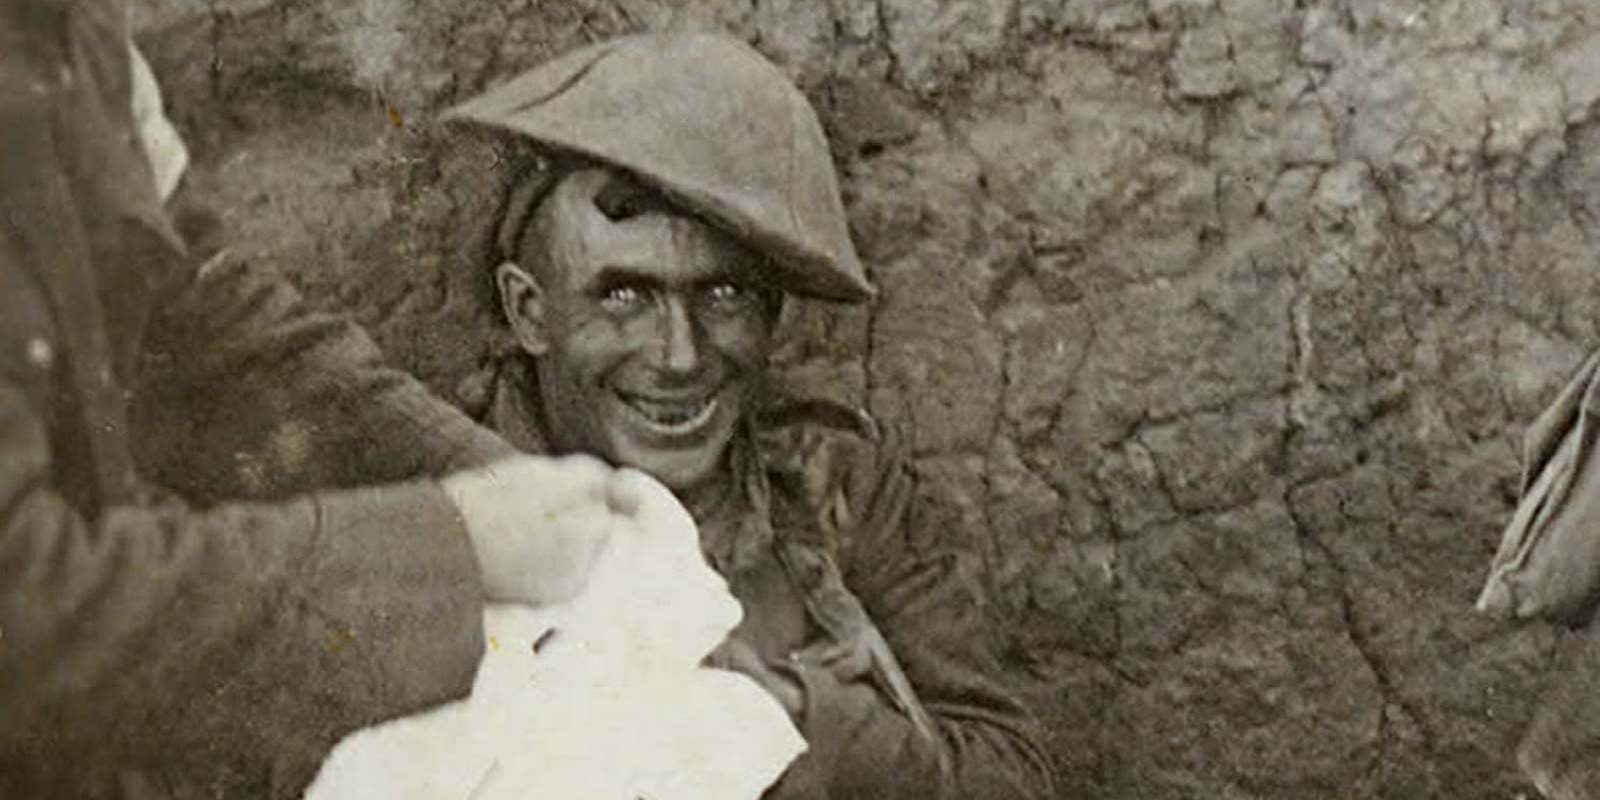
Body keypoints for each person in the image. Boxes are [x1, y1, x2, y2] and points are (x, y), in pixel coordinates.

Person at [0, 2, 637, 796]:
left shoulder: (70, 33)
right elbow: (22, 611)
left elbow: (204, 325)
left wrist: (504, 484)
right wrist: (454, 549)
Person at [444, 33, 1056, 799]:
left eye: (723, 295)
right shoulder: (436, 515)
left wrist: (811, 720)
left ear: (771, 316)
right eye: (624, 296)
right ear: (530, 311)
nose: (679, 355)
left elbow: (1011, 773)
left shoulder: (834, 489)